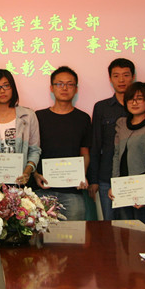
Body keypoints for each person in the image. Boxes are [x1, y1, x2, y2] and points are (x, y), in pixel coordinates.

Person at [33, 66, 92, 221]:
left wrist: (82, 175)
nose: (64, 88)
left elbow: (85, 153)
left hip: (72, 191)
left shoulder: (83, 118)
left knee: (74, 233)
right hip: (42, 190)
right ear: (51, 88)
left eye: (70, 84)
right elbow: (31, 151)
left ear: (76, 89)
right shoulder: (38, 117)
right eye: (59, 84)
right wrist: (35, 174)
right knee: (39, 234)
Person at [108, 82, 145, 226]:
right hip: (123, 189)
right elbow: (116, 155)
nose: (134, 103)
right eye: (131, 99)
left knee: (142, 234)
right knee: (123, 233)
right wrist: (114, 183)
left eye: (139, 99)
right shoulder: (121, 124)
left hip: (141, 190)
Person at [88, 58, 135, 220]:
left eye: (126, 75)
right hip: (106, 176)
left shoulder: (141, 105)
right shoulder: (101, 107)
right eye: (116, 76)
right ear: (110, 79)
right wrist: (93, 180)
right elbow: (95, 144)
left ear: (133, 77)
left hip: (134, 177)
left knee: (133, 227)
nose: (121, 80)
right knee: (109, 226)